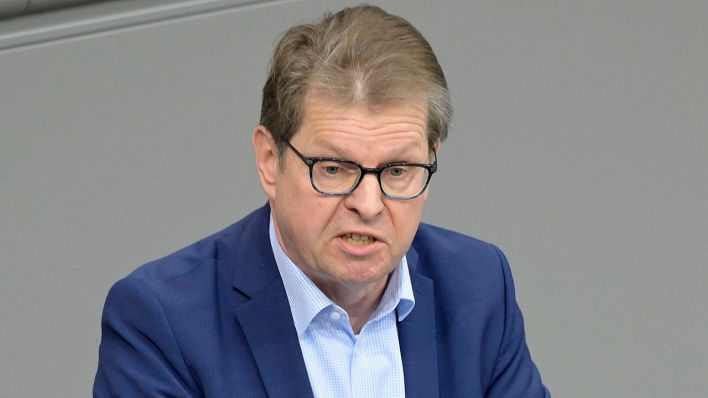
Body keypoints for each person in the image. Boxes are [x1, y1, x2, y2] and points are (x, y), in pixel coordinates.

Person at [94, 5, 550, 397]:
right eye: (334, 169)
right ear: (270, 161)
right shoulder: (161, 322)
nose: (368, 204)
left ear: (431, 161)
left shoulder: (478, 287)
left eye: (397, 171)